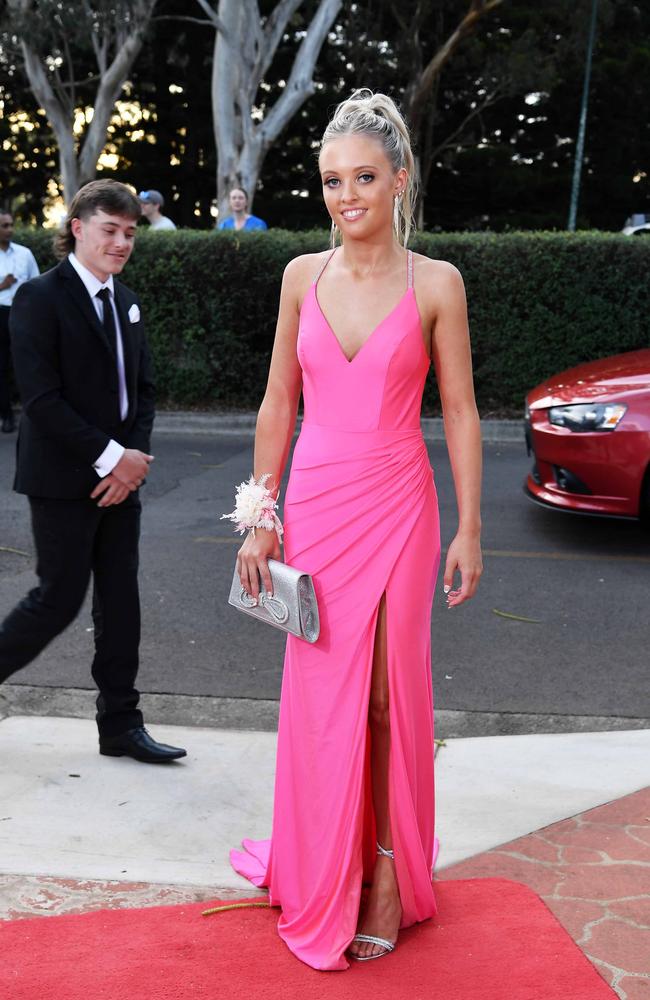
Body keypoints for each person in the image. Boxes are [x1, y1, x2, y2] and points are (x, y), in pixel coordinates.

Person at [228, 90, 482, 969]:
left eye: (363, 177)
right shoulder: (301, 274)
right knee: (322, 697)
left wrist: (471, 526)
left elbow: (458, 410)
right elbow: (276, 404)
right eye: (333, 180)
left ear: (399, 179)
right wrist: (261, 516)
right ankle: (319, 861)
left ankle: (382, 871)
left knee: (386, 695)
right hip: (317, 507)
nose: (346, 197)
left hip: (401, 506)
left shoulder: (437, 283)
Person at [0, 180, 186, 765]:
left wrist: (132, 462)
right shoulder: (38, 297)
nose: (122, 242)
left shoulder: (125, 299)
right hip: (62, 479)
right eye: (110, 230)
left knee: (120, 601)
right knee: (57, 599)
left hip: (120, 481)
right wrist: (114, 457)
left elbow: (142, 393)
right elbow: (42, 398)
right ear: (77, 228)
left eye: (130, 232)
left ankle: (121, 726)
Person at [0, 209, 40, 433]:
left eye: (11, 225)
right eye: (4, 226)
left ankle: (33, 414)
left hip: (22, 314)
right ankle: (6, 415)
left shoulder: (24, 254)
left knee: (27, 364)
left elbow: (38, 285)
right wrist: (3, 286)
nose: (9, 230)